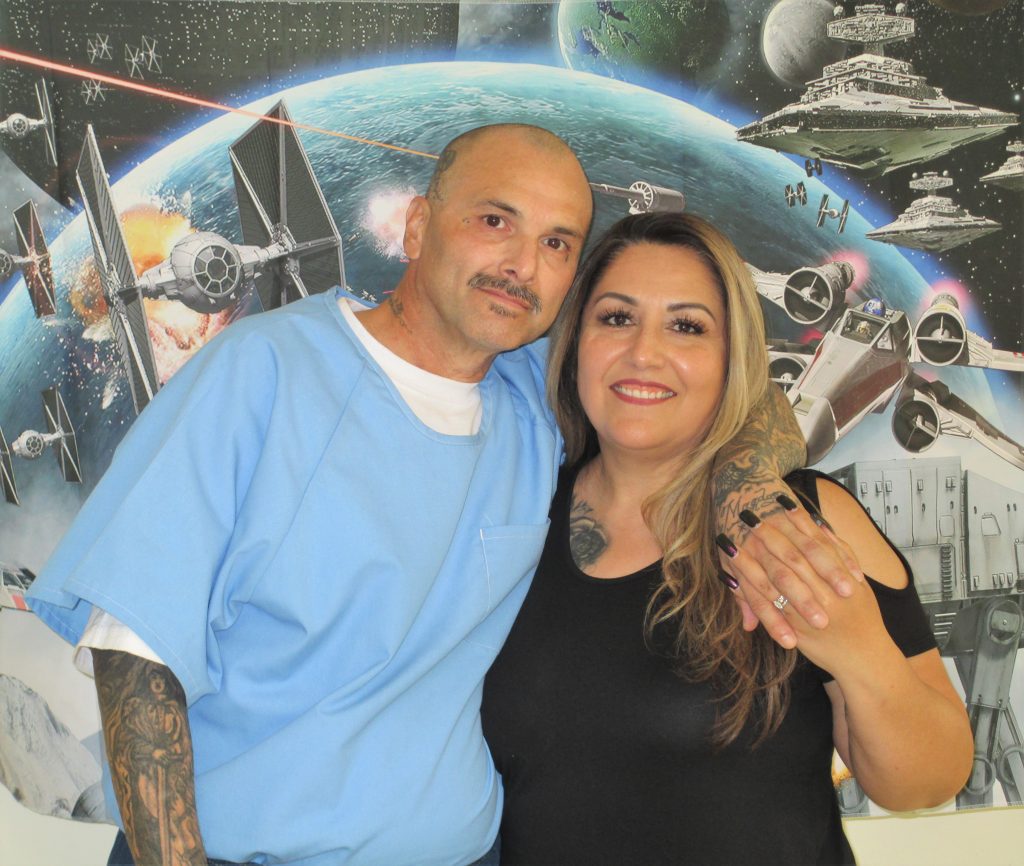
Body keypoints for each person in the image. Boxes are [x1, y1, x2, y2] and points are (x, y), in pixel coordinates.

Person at [28, 126, 849, 866]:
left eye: (558, 243)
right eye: (495, 221)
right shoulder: (262, 375)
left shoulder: (535, 393)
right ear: (418, 227)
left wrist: (746, 497)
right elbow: (136, 658)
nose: (522, 265)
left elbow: (736, 394)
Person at [481, 212, 974, 865]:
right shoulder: (515, 514)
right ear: (575, 342)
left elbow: (924, 783)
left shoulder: (799, 519)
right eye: (616, 318)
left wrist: (860, 650)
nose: (643, 353)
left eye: (687, 326)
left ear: (730, 358)